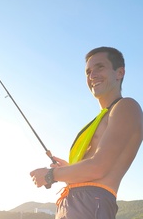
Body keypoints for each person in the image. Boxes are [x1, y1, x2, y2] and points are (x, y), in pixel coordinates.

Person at [30, 47, 143, 219]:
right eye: (88, 71)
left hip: (91, 203)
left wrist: (50, 175)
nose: (92, 75)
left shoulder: (125, 106)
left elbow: (99, 167)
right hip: (76, 203)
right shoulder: (103, 117)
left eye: (100, 67)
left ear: (119, 72)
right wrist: (69, 169)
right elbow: (95, 166)